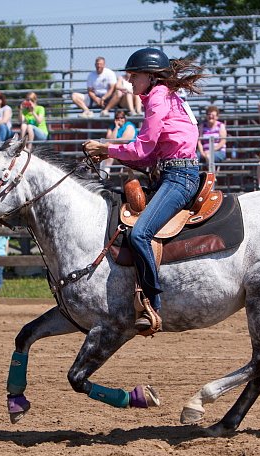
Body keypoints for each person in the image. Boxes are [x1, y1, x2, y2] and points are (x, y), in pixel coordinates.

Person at [82, 47, 205, 332]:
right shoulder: (163, 97)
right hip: (172, 172)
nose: (129, 82)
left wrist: (105, 147)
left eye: (134, 76)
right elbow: (148, 156)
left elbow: (142, 147)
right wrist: (111, 152)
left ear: (150, 76)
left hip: (178, 176)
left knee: (140, 233)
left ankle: (151, 304)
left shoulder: (158, 98)